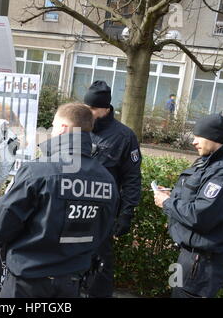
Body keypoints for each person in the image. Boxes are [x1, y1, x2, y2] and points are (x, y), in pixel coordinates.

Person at [0, 103, 119, 298]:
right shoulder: (106, 179)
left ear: (62, 128)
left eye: (53, 126)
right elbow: (103, 229)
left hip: (28, 278)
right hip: (72, 281)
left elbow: (7, 215)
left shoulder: (38, 170)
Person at [154, 113, 223, 298]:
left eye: (198, 137)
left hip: (202, 264)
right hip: (189, 257)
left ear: (213, 137)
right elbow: (195, 196)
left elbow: (201, 215)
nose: (193, 142)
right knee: (177, 292)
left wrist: (167, 203)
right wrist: (171, 195)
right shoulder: (210, 161)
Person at [82, 80, 142, 298]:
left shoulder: (124, 136)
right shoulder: (78, 128)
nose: (87, 113)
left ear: (106, 109)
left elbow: (132, 179)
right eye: (85, 108)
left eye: (92, 109)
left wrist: (126, 214)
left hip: (103, 215)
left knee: (101, 266)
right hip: (74, 209)